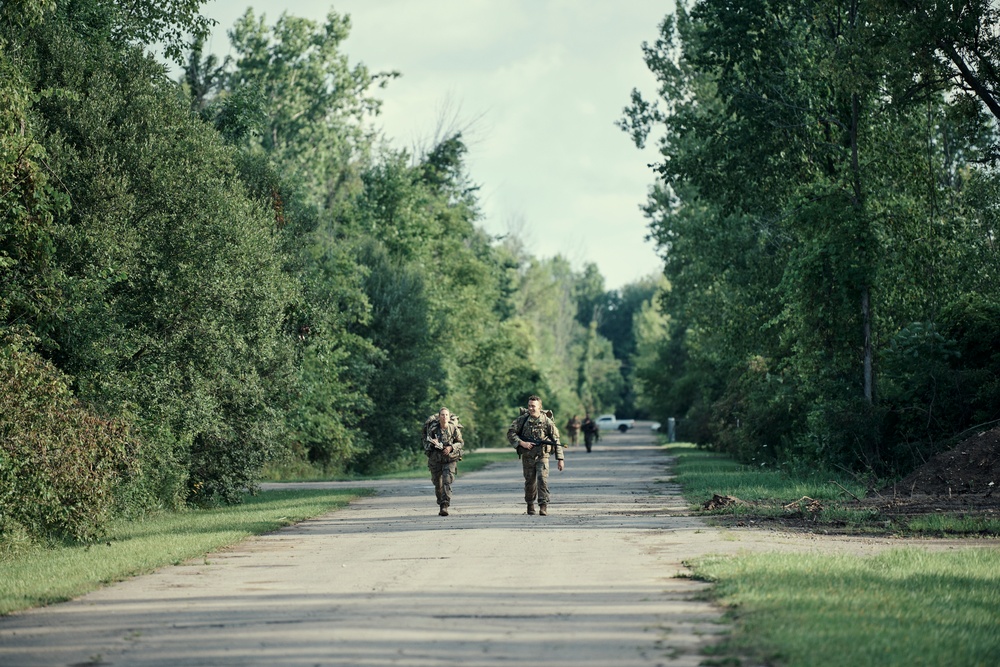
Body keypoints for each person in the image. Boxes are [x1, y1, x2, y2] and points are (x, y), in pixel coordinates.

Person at [507, 395, 564, 516]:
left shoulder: (547, 421)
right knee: (529, 482)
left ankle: (543, 506)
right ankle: (530, 504)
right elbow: (511, 433)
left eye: (533, 406)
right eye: (529, 406)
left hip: (542, 455)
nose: (531, 408)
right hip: (527, 456)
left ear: (539, 407)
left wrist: (560, 459)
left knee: (542, 480)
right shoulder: (522, 420)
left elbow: (556, 440)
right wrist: (522, 443)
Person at [423, 406, 464, 516]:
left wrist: (451, 447)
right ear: (439, 416)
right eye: (442, 415)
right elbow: (426, 442)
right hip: (435, 459)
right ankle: (440, 500)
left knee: (447, 481)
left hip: (450, 459)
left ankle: (444, 505)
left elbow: (460, 442)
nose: (444, 417)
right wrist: (433, 443)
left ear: (448, 416)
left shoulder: (453, 428)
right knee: (438, 484)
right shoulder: (433, 429)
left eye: (446, 415)